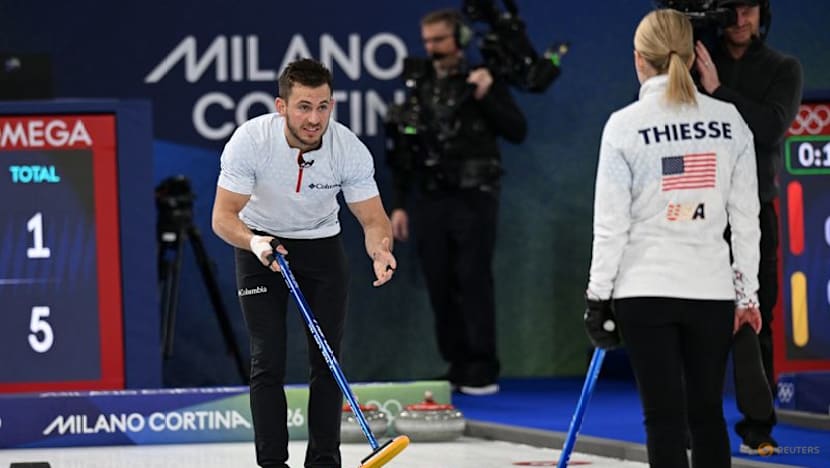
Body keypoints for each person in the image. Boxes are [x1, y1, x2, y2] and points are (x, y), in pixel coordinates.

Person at [585, 9, 762, 468]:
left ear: (639, 59)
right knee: (707, 416)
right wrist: (749, 297)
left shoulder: (623, 125)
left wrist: (597, 299)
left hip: (644, 291)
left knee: (662, 420)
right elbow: (747, 219)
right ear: (693, 54)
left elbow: (611, 225)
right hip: (711, 290)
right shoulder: (730, 121)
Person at [211, 58, 397, 468]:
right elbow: (223, 217)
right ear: (282, 107)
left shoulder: (347, 148)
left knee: (326, 358)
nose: (315, 118)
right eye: (304, 107)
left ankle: (325, 462)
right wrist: (255, 241)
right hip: (260, 243)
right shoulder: (250, 141)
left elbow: (371, 218)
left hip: (321, 248)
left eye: (323, 106)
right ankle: (273, 463)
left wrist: (380, 248)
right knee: (267, 358)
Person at [386, 8, 527, 395]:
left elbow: (517, 130)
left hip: (474, 196)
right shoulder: (420, 86)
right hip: (432, 198)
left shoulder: (481, 79)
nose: (432, 49)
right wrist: (399, 203)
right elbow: (406, 152)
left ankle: (482, 366)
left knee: (472, 277)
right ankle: (457, 363)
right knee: (438, 280)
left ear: (459, 40)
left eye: (439, 40)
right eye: (427, 41)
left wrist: (485, 96)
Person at [694, 0, 803, 454]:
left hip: (756, 210)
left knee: (757, 318)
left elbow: (769, 127)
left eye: (748, 9)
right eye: (731, 10)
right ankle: (692, 423)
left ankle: (758, 426)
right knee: (696, 320)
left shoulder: (783, 67)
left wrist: (716, 91)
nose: (740, 20)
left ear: (762, 13)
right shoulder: (695, 59)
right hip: (701, 210)